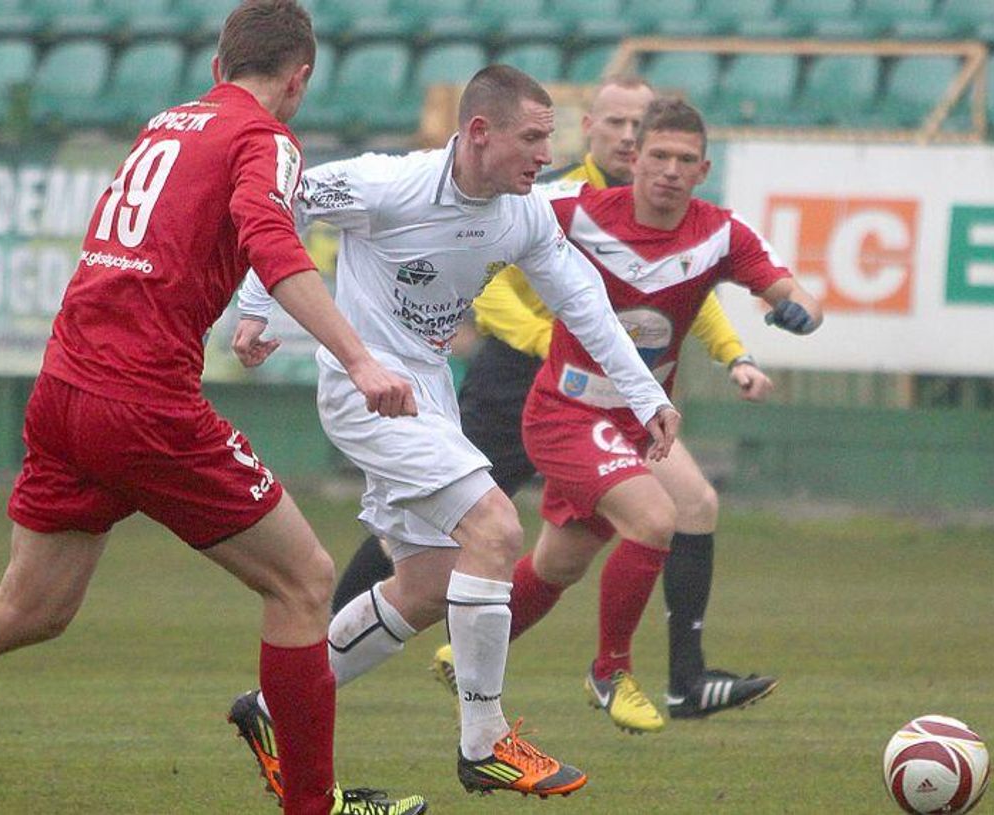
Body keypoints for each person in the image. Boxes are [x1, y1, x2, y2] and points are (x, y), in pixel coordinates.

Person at [0, 3, 425, 814]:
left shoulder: (168, 123)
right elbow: (268, 232)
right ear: (300, 79)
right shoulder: (267, 136)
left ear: (220, 67)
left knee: (29, 604)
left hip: (63, 388)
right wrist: (358, 358)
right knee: (304, 581)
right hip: (141, 400)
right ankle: (313, 807)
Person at [231, 65, 680, 800]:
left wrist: (642, 393)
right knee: (497, 527)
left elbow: (584, 302)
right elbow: (277, 204)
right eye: (534, 138)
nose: (546, 153)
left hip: (428, 393)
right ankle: (484, 741)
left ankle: (273, 705)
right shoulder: (388, 184)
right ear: (480, 132)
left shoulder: (523, 211)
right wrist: (255, 304)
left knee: (430, 583)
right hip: (363, 384)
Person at [324, 76, 777, 734]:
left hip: (601, 399)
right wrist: (541, 339)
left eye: (639, 124)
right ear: (590, 126)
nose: (629, 136)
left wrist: (729, 355)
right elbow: (489, 276)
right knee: (470, 529)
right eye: (619, 124)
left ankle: (678, 675)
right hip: (516, 380)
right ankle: (503, 721)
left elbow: (672, 295)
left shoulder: (624, 207)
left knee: (547, 552)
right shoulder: (549, 195)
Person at [505, 95, 821, 733]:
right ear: (634, 158)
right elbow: (486, 219)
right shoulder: (577, 210)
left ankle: (470, 642)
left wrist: (796, 312)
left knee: (562, 561)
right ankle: (612, 670)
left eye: (684, 160)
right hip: (566, 410)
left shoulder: (721, 232)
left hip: (639, 424)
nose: (670, 170)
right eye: (658, 156)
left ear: (703, 170)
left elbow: (800, 296)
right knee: (658, 517)